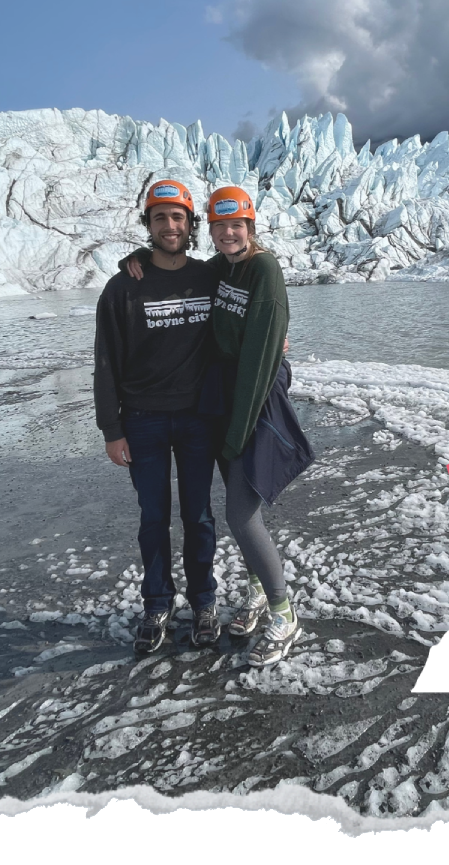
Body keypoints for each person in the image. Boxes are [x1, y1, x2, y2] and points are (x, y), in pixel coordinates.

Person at [125, 185, 315, 666]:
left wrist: (237, 430)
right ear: (207, 230)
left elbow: (259, 358)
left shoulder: (263, 269)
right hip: (222, 400)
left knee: (239, 515)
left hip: (251, 404)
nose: (228, 233)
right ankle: (255, 592)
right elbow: (175, 268)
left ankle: (284, 613)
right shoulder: (222, 268)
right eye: (219, 226)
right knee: (235, 507)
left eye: (237, 226)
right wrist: (138, 257)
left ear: (251, 228)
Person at [93, 179, 221, 655]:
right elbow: (105, 359)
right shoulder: (124, 285)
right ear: (147, 224)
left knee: (200, 516)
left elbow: (252, 297)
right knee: (153, 517)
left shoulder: (210, 277)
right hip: (143, 419)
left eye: (179, 217)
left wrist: (278, 340)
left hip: (197, 419)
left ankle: (204, 601)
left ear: (191, 225)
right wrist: (112, 428)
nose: (171, 225)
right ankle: (157, 603)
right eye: (161, 217)